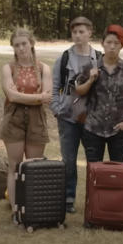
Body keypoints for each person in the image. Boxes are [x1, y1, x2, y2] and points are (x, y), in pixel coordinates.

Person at [0, 28, 52, 216]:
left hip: (37, 119)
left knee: (33, 165)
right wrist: (36, 97)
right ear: (13, 48)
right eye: (17, 45)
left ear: (31, 43)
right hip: (14, 118)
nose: (21, 48)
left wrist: (22, 96)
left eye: (24, 44)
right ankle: (15, 208)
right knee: (14, 165)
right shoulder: (8, 68)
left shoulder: (43, 68)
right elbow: (11, 97)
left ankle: (31, 205)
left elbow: (47, 98)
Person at [51, 16, 101, 213]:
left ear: (90, 33)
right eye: (75, 32)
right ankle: (68, 198)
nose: (78, 36)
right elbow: (55, 87)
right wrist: (56, 108)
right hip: (68, 119)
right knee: (69, 161)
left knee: (93, 162)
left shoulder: (98, 57)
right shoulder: (64, 59)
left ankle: (94, 199)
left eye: (82, 32)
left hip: (91, 119)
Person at [75, 24, 123, 163]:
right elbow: (79, 90)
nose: (112, 46)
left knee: (118, 173)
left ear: (121, 45)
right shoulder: (90, 66)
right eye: (109, 42)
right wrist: (90, 80)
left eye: (116, 43)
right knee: (93, 173)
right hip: (93, 129)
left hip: (118, 130)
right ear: (102, 44)